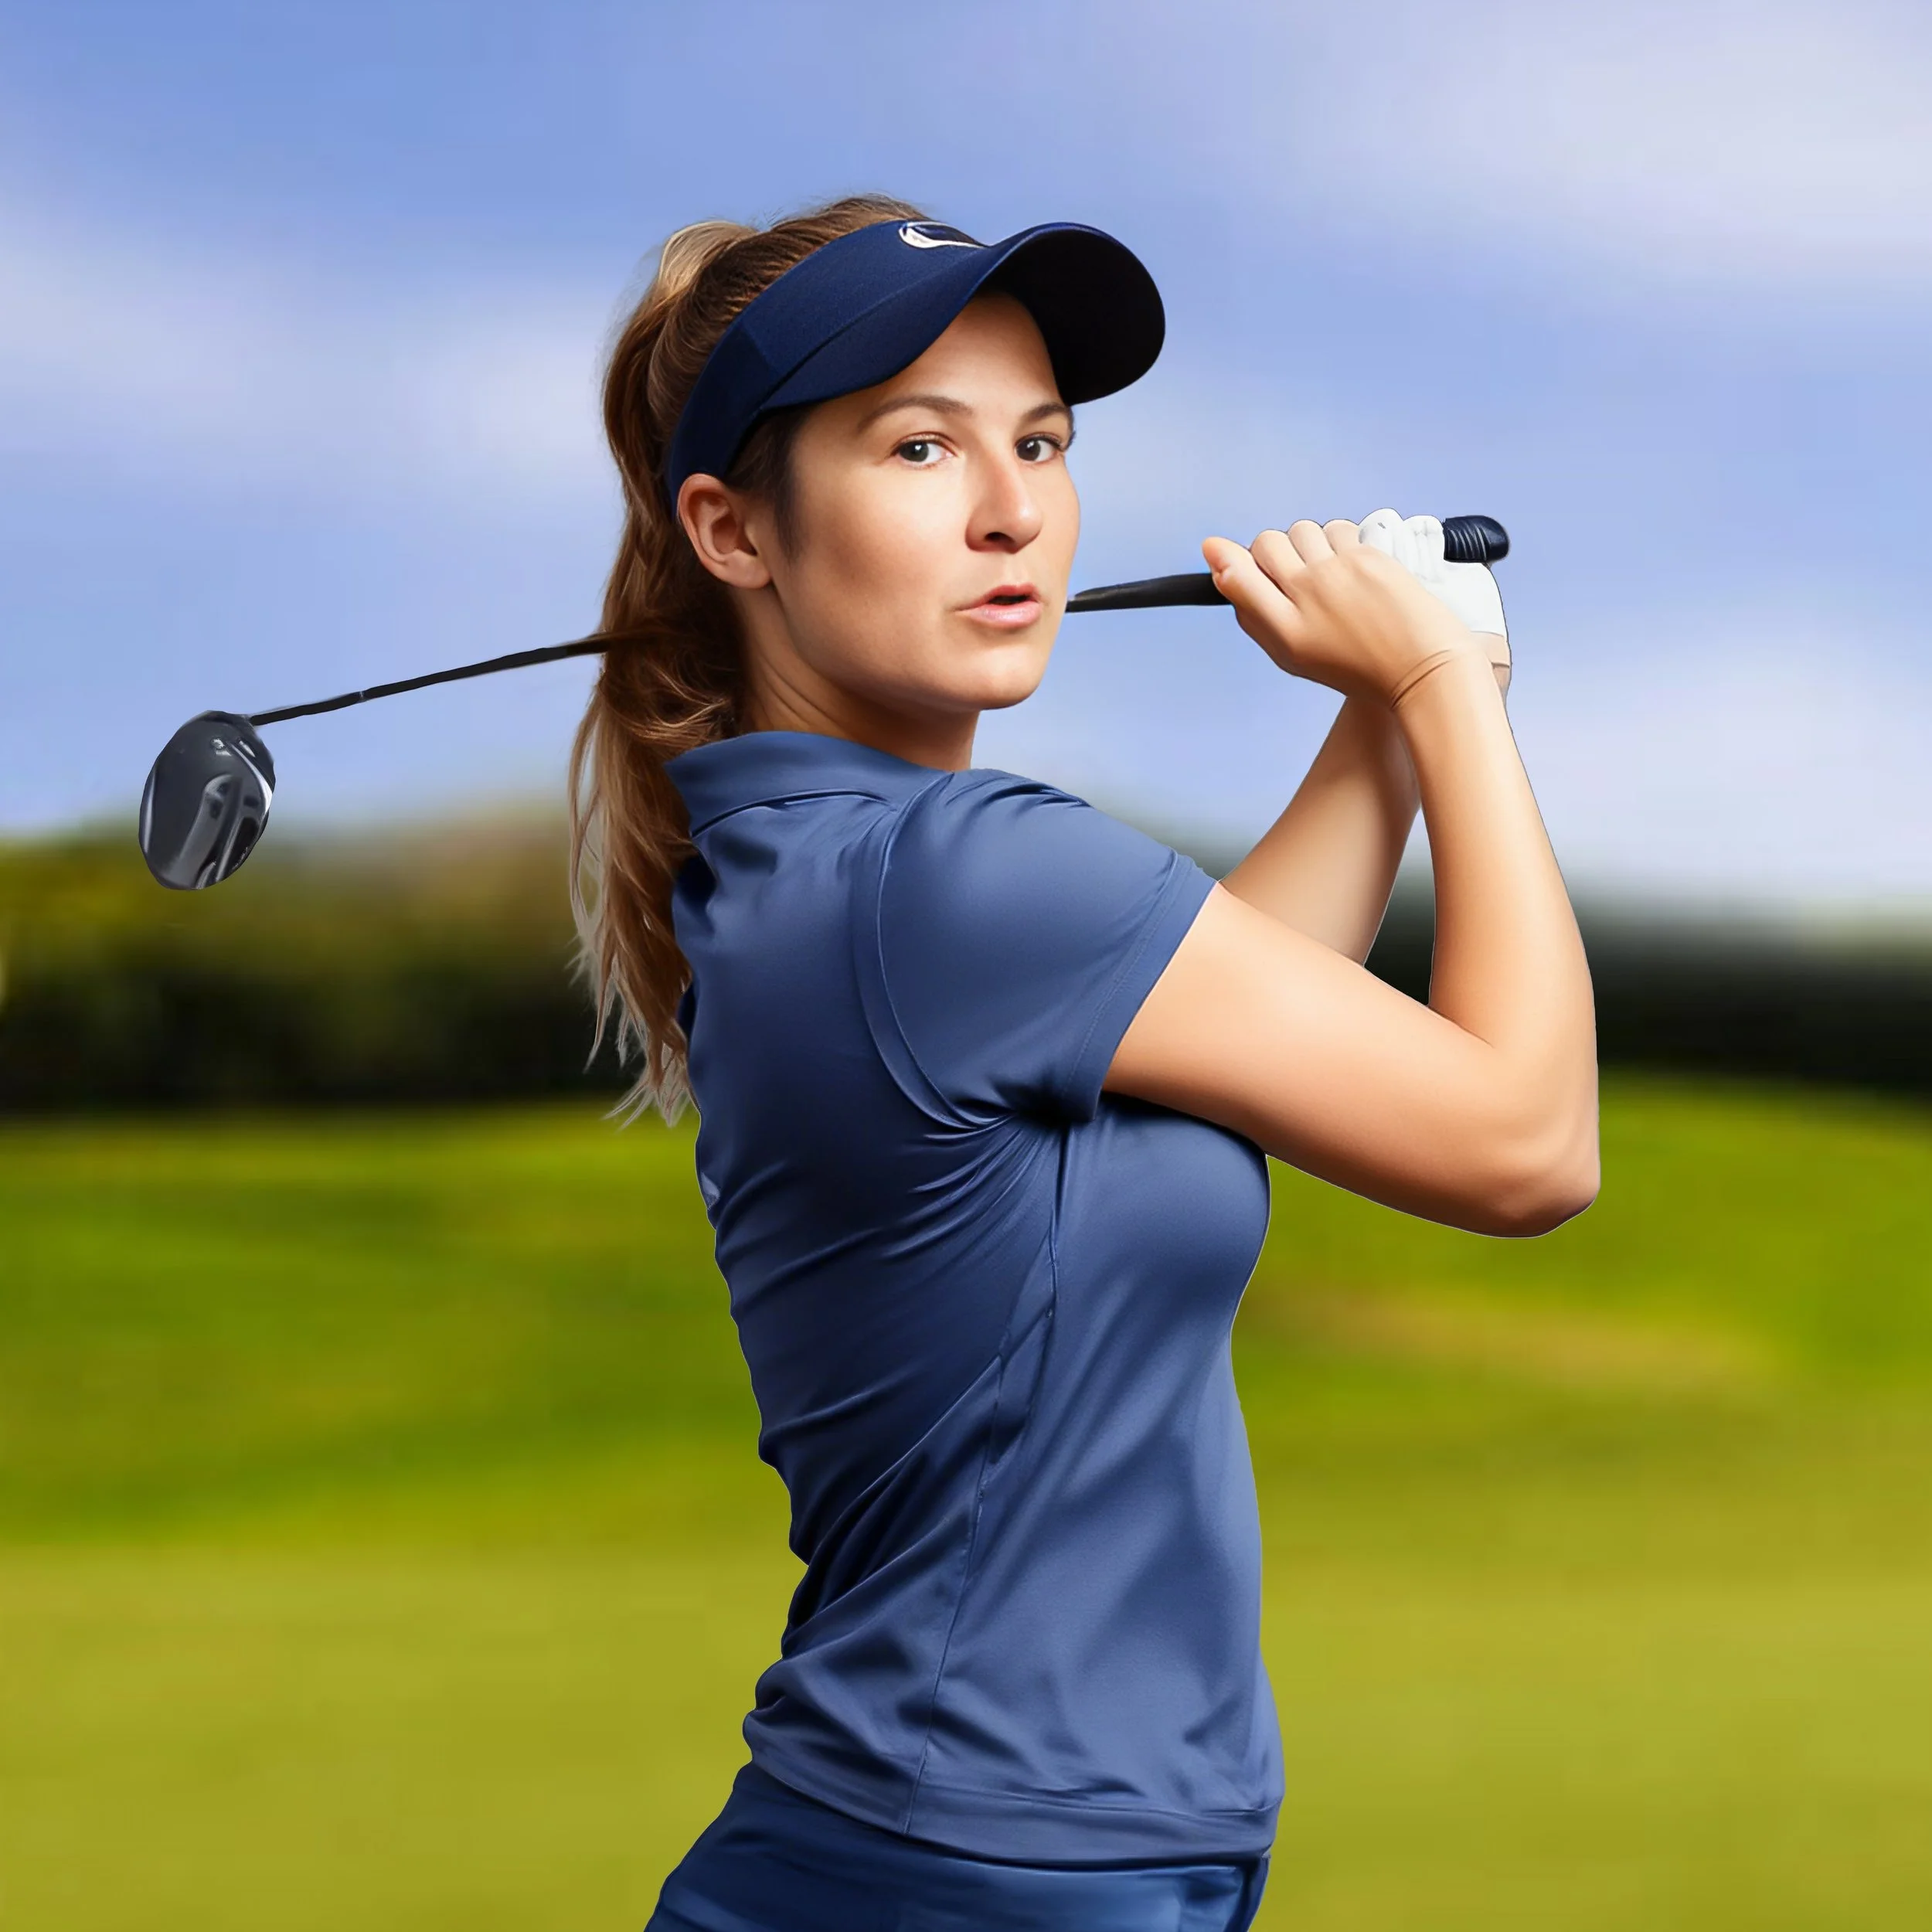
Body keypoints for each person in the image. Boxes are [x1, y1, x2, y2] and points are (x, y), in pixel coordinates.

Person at [566, 193, 1598, 1932]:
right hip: (972, 1872)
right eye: (919, 447)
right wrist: (1444, 684)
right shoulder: (960, 875)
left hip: (972, 1846)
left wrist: (1380, 711)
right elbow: (1526, 1141)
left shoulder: (838, 863)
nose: (1012, 512)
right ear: (734, 529)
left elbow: (1232, 1008)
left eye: (1039, 443)